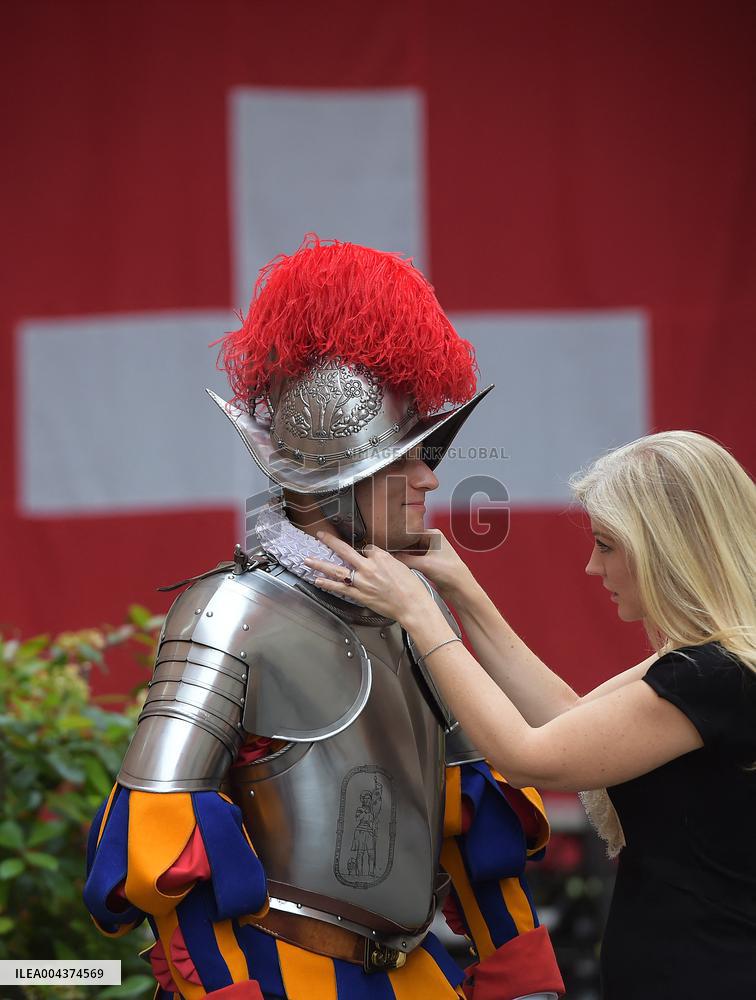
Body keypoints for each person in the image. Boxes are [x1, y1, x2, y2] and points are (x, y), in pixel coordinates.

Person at [83, 236, 565, 1000]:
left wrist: (524, 983)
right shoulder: (229, 614)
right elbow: (167, 850)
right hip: (282, 979)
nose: (431, 476)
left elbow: (477, 829)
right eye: (405, 457)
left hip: (416, 976)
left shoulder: (413, 605)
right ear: (340, 479)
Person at [305, 430, 756, 999]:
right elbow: (566, 720)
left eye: (608, 544)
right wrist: (462, 590)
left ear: (668, 548)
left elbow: (528, 755)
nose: (594, 566)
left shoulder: (714, 675)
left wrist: (421, 613)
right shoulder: (715, 662)